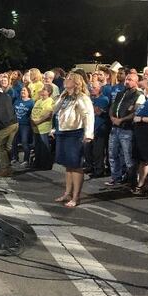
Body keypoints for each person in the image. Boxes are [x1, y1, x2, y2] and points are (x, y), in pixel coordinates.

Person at [53, 73, 94, 207]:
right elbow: (55, 110)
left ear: (77, 82)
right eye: (66, 78)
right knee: (68, 165)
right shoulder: (65, 96)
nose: (66, 80)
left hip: (75, 133)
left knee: (75, 165)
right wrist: (55, 128)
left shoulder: (82, 97)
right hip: (63, 131)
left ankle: (76, 197)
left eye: (70, 79)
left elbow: (87, 115)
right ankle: (67, 193)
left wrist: (88, 133)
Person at [107, 73, 144, 186]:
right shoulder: (120, 93)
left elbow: (136, 112)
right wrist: (112, 117)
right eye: (127, 79)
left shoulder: (139, 95)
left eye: (130, 79)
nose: (127, 81)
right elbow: (112, 107)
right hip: (114, 128)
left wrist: (122, 120)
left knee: (128, 157)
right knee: (112, 154)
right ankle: (116, 177)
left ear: (136, 82)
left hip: (127, 129)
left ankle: (131, 181)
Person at [86, 80, 110, 178]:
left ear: (100, 89)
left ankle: (99, 170)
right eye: (90, 87)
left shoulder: (104, 99)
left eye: (94, 87)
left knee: (98, 151)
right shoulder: (88, 99)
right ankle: (90, 166)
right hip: (89, 128)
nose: (91, 89)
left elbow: (98, 112)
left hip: (99, 128)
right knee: (87, 150)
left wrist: (89, 106)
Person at [31, 85, 55, 169]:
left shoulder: (50, 101)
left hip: (44, 128)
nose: (42, 90)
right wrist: (33, 120)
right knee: (37, 147)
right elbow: (33, 111)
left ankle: (45, 164)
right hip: (36, 128)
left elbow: (49, 114)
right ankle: (38, 163)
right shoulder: (38, 101)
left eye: (44, 89)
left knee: (44, 147)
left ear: (49, 92)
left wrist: (38, 121)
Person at [12, 86, 34, 166]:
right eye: (22, 90)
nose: (22, 91)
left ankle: (26, 160)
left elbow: (33, 114)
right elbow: (13, 111)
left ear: (28, 92)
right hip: (16, 124)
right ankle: (15, 158)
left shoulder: (31, 102)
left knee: (24, 142)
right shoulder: (17, 101)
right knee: (14, 141)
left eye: (24, 90)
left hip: (25, 125)